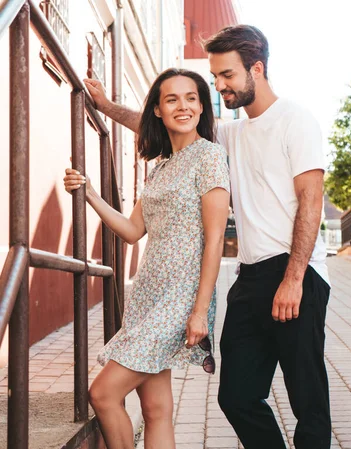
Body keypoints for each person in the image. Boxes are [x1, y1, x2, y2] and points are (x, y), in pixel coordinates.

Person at [83, 24, 332, 449]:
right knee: (236, 396)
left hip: (297, 271)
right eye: (215, 77)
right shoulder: (230, 136)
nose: (219, 86)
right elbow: (164, 122)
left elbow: (310, 202)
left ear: (257, 68)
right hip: (251, 276)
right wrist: (107, 106)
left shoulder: (296, 120)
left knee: (306, 395)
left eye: (227, 76)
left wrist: (294, 278)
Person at [65, 68, 230, 449]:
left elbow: (216, 238)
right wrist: (89, 193)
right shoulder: (160, 168)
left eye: (191, 98)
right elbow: (131, 231)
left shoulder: (209, 156)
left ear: (202, 106)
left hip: (181, 299)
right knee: (155, 409)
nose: (183, 106)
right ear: (157, 110)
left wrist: (200, 310)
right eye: (171, 99)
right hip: (146, 297)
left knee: (103, 394)